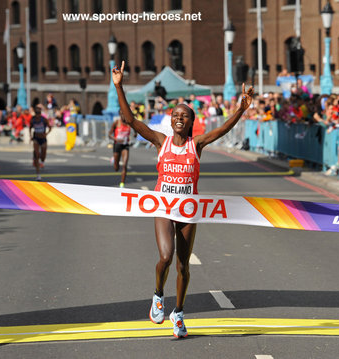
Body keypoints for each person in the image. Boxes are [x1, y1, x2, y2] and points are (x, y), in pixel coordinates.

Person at [112, 61, 253, 339]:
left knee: (183, 266)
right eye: (175, 115)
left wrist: (240, 110)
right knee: (165, 257)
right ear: (170, 120)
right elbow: (130, 121)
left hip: (188, 209)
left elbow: (221, 131)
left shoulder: (196, 144)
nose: (179, 118)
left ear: (190, 122)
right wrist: (119, 86)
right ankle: (157, 296)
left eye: (184, 116)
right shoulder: (159, 141)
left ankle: (178, 312)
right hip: (163, 206)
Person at [108, 110, 131, 188]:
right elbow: (109, 134)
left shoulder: (129, 123)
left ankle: (122, 184)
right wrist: (116, 139)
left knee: (124, 165)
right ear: (119, 115)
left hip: (125, 146)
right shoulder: (116, 122)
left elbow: (136, 131)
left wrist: (135, 134)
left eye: (125, 114)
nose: (123, 116)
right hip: (117, 145)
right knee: (116, 168)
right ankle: (114, 159)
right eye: (122, 114)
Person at [29, 106, 51, 180]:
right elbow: (30, 128)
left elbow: (50, 127)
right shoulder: (33, 120)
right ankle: (38, 175)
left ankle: (42, 161)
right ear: (35, 114)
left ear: (40, 113)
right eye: (37, 113)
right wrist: (30, 136)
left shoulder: (44, 120)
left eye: (39, 113)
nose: (38, 115)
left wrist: (46, 133)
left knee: (43, 156)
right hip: (36, 139)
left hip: (43, 139)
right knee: (37, 155)